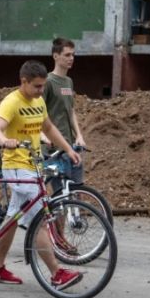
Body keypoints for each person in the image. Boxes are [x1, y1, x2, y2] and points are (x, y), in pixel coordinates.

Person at [0, 60, 83, 289]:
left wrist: (68, 149)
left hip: (34, 166)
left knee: (13, 218)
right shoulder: (11, 102)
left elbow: (47, 128)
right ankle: (57, 273)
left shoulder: (38, 101)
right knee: (39, 220)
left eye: (43, 86)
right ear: (24, 82)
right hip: (17, 167)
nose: (41, 91)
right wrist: (4, 141)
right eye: (37, 86)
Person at [43, 37, 86, 188]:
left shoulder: (68, 81)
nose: (71, 58)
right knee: (59, 196)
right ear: (56, 56)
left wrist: (79, 135)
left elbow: (71, 110)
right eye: (67, 55)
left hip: (71, 146)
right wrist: (44, 137)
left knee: (76, 193)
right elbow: (39, 113)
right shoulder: (47, 82)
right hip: (54, 151)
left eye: (73, 55)